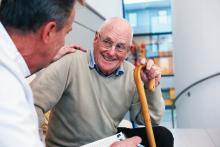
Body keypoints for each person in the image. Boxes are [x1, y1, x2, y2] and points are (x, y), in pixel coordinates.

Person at [31, 17, 174, 147]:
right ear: (96, 38)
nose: (111, 52)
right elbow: (31, 102)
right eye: (107, 42)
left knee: (163, 136)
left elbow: (150, 119)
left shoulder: (133, 74)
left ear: (128, 51)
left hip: (106, 142)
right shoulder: (71, 62)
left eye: (120, 47)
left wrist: (151, 86)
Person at [0, 0, 85, 146]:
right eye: (66, 32)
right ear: (49, 32)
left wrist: (46, 57)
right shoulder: (9, 98)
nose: (63, 43)